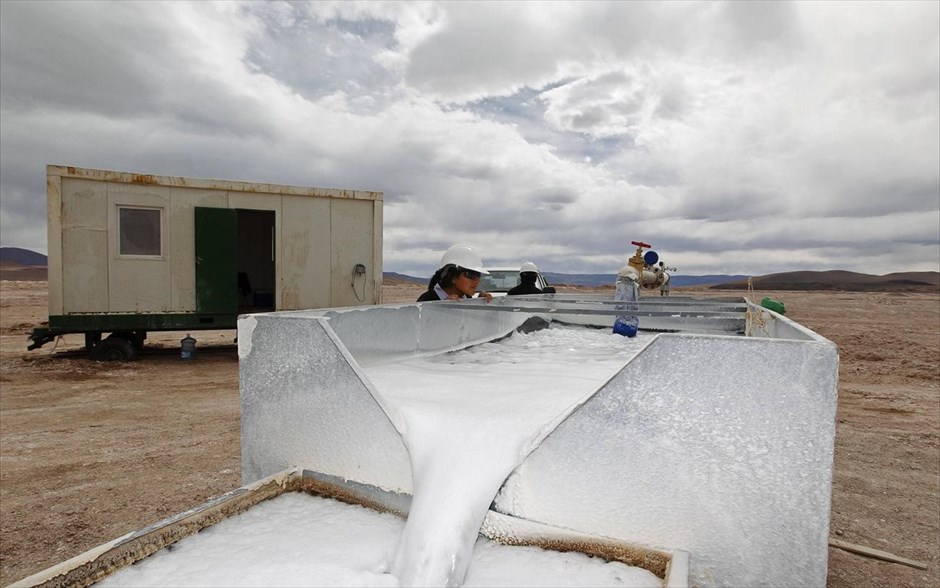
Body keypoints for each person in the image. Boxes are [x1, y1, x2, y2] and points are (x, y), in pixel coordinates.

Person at [417, 244, 493, 302]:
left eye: (478, 275)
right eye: (471, 274)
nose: (477, 280)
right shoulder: (426, 301)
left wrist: (479, 304)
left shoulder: (467, 298)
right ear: (453, 277)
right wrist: (441, 308)